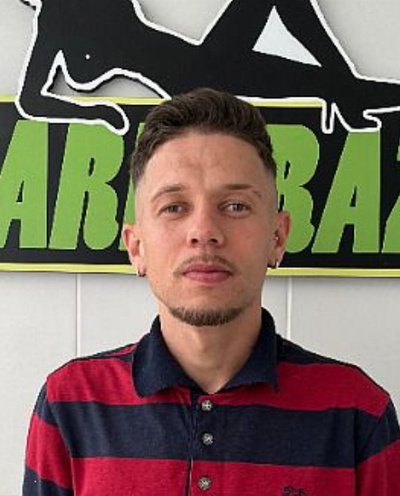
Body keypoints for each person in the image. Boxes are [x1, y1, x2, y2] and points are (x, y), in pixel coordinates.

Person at [23, 88, 400, 495]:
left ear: (277, 237)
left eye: (236, 206)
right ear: (137, 247)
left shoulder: (358, 412)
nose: (204, 231)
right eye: (174, 207)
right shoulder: (70, 404)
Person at [18, 0, 400, 135]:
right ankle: (345, 94)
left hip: (202, 66)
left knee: (334, 86)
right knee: (338, 88)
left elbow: (33, 101)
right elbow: (31, 101)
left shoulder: (80, 11)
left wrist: (98, 112)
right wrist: (97, 113)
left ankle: (344, 92)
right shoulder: (54, 21)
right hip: (197, 80)